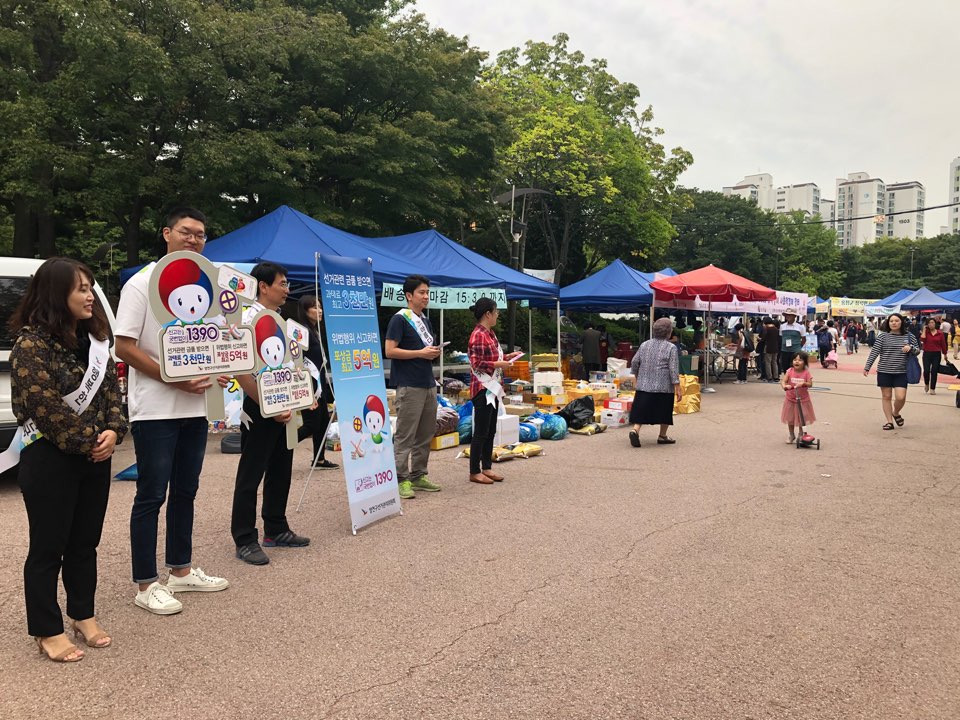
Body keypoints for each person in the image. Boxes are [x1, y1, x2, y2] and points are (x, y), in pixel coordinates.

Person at [8, 259, 127, 662]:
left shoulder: (94, 343)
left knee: (85, 542)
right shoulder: (31, 345)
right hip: (50, 457)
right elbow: (43, 406)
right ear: (56, 294)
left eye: (91, 287)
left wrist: (114, 431)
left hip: (96, 455)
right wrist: (88, 441)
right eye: (81, 289)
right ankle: (46, 628)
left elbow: (112, 392)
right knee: (48, 546)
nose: (90, 295)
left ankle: (83, 613)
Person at [116, 207, 229, 616]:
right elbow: (124, 347)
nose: (194, 240)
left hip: (195, 406)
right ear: (166, 233)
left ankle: (180, 570)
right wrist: (172, 378)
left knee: (186, 490)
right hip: (155, 410)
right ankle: (146, 583)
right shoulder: (142, 284)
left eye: (201, 234)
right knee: (151, 494)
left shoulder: (209, 285)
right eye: (186, 232)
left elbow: (216, 342)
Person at [231, 262, 312, 565]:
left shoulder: (280, 319)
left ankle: (276, 527)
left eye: (288, 283)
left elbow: (292, 365)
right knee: (251, 472)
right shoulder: (245, 319)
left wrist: (297, 398)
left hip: (284, 404)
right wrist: (268, 404)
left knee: (281, 467)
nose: (287, 289)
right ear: (263, 286)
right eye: (282, 283)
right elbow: (240, 369)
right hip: (258, 406)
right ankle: (244, 538)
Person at [384, 274, 442, 500]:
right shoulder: (399, 319)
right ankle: (400, 478)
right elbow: (389, 350)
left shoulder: (425, 320)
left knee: (425, 433)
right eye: (422, 292)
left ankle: (419, 474)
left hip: (428, 382)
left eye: (427, 292)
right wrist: (420, 353)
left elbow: (424, 351)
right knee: (405, 435)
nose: (426, 296)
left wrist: (433, 353)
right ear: (409, 295)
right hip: (409, 385)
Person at [466, 298, 523, 485]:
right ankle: (474, 471)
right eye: (496, 311)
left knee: (490, 430)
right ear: (487, 314)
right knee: (481, 432)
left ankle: (487, 467)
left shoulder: (490, 334)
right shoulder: (478, 335)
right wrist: (500, 363)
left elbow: (493, 357)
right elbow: (477, 363)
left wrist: (508, 357)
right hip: (483, 388)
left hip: (493, 387)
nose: (498, 315)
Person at [296, 295, 338, 470]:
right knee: (311, 424)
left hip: (319, 382)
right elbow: (297, 360)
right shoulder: (301, 332)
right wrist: (306, 390)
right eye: (314, 307)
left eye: (320, 307)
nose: (319, 310)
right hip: (309, 383)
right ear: (305, 311)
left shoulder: (314, 330)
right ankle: (278, 448)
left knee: (322, 421)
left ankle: (319, 459)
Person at [627, 318, 682, 448]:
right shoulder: (671, 347)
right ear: (669, 332)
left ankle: (635, 430)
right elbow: (673, 368)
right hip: (663, 386)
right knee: (664, 411)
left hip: (644, 384)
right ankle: (662, 436)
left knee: (641, 409)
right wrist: (678, 387)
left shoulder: (645, 344)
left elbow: (635, 362)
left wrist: (637, 375)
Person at [863, 313, 920, 431]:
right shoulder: (882, 336)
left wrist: (911, 348)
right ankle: (889, 422)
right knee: (886, 396)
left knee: (900, 397)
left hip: (902, 371)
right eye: (891, 321)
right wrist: (867, 367)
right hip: (884, 370)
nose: (894, 323)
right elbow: (874, 352)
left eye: (896, 321)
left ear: (901, 322)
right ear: (888, 323)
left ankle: (896, 412)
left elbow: (918, 350)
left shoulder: (909, 336)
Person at [780, 351, 815, 444]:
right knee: (790, 418)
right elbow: (783, 381)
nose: (797, 362)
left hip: (803, 399)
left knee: (801, 418)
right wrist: (785, 386)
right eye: (795, 360)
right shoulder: (790, 371)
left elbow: (810, 384)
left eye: (800, 360)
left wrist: (804, 383)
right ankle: (791, 434)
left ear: (805, 363)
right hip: (790, 399)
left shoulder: (806, 372)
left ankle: (801, 434)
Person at [919, 317, 948, 395]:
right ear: (927, 324)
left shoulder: (940, 333)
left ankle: (932, 388)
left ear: (935, 324)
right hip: (927, 354)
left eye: (933, 323)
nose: (931, 324)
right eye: (930, 323)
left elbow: (943, 344)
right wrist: (924, 330)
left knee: (934, 371)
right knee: (926, 370)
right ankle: (926, 384)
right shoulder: (926, 332)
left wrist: (945, 354)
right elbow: (922, 340)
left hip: (936, 354)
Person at [778, 311, 806, 378]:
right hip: (784, 350)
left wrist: (799, 347)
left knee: (795, 367)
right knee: (785, 367)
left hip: (795, 351)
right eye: (786, 315)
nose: (788, 317)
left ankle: (795, 380)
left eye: (790, 315)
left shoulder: (800, 327)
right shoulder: (782, 326)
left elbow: (804, 339)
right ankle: (787, 380)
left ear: (794, 316)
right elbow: (781, 337)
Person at [762, 317, 780, 382]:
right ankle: (776, 377)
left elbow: (763, 338)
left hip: (768, 347)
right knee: (774, 362)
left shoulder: (766, 329)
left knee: (768, 362)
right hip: (775, 347)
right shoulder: (776, 329)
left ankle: (769, 377)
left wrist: (759, 339)